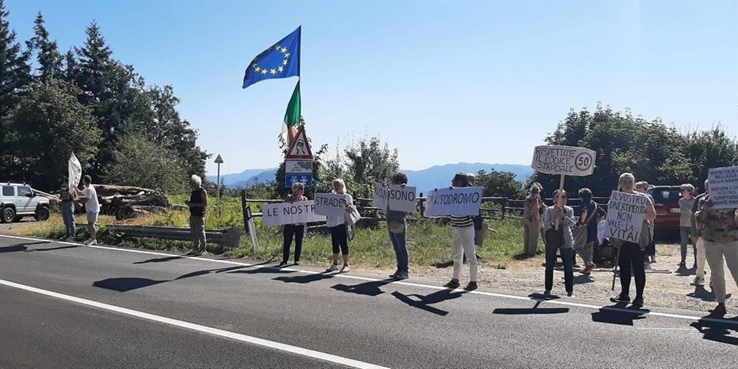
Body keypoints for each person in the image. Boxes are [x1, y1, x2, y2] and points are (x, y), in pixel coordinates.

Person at [610, 173, 656, 308]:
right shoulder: (616, 198)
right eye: (624, 181)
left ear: (634, 183)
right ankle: (624, 294)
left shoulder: (643, 198)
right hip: (622, 239)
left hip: (638, 239)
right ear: (620, 184)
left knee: (638, 268)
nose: (627, 183)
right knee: (623, 267)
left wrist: (635, 216)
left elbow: (652, 214)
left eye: (629, 181)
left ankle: (639, 297)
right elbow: (611, 217)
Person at [694, 184, 738, 316]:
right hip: (711, 240)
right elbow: (699, 219)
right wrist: (706, 208)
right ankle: (721, 304)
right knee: (716, 273)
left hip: (731, 240)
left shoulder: (734, 198)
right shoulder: (704, 200)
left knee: (736, 271)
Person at [443, 173, 478, 291]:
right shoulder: (453, 192)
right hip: (456, 226)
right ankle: (455, 279)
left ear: (459, 181)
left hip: (466, 227)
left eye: (454, 180)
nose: (452, 181)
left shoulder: (468, 193)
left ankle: (473, 281)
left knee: (470, 254)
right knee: (457, 254)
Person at [543, 189, 576, 297]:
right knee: (549, 264)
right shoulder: (549, 210)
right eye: (557, 197)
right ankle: (548, 288)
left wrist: (562, 216)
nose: (560, 199)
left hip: (566, 239)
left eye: (563, 197)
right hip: (552, 239)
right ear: (554, 199)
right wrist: (554, 223)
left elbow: (572, 224)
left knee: (568, 265)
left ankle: (569, 290)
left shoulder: (569, 210)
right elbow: (546, 224)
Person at [574, 188, 606, 275]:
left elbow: (584, 212)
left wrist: (582, 223)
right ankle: (587, 268)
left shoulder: (584, 203)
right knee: (589, 247)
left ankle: (588, 263)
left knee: (577, 246)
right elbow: (603, 213)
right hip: (593, 227)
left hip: (586, 228)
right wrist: (597, 222)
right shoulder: (595, 204)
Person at [326, 178, 354, 273]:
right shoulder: (331, 197)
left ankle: (346, 264)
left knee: (343, 244)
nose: (337, 187)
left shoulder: (347, 196)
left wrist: (345, 205)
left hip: (342, 223)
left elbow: (351, 210)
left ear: (342, 186)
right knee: (334, 244)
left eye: (338, 185)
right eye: (335, 185)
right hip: (332, 223)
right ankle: (335, 264)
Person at [387, 172, 410, 280]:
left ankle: (405, 270)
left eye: (393, 181)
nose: (391, 183)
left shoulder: (404, 192)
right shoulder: (392, 192)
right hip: (390, 221)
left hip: (399, 221)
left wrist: (403, 189)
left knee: (402, 248)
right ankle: (399, 269)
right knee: (396, 248)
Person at [279, 182, 307, 267]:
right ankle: (285, 259)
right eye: (300, 189)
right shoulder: (289, 198)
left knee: (299, 242)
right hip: (289, 224)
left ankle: (297, 259)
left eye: (303, 188)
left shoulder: (305, 199)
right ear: (295, 190)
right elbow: (284, 208)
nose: (302, 190)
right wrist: (293, 201)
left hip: (300, 224)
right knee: (287, 242)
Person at [690, 180, 710, 285]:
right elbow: (693, 215)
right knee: (700, 255)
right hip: (702, 232)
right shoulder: (700, 199)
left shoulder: (721, 199)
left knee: (714, 257)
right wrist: (694, 230)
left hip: (716, 234)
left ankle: (714, 279)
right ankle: (700, 276)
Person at [185, 174, 208, 256]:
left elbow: (205, 204)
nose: (191, 184)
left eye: (192, 182)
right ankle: (195, 248)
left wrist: (193, 204)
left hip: (199, 215)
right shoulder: (194, 192)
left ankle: (203, 249)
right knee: (194, 232)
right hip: (193, 214)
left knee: (201, 232)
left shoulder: (202, 191)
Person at [74, 175, 100, 245]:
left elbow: (85, 200)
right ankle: (92, 238)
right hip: (90, 209)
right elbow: (80, 193)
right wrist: (74, 187)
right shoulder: (88, 187)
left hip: (93, 209)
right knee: (90, 224)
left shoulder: (89, 189)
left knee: (91, 224)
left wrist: (76, 201)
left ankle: (93, 239)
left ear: (84, 181)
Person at [635, 181, 657, 264]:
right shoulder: (636, 197)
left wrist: (650, 221)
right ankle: (645, 256)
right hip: (639, 223)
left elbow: (651, 209)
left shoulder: (648, 197)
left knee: (650, 238)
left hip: (648, 221)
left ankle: (652, 255)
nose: (637, 190)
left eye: (639, 188)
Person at [678, 183, 696, 267]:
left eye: (683, 190)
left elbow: (694, 212)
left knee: (695, 244)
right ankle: (683, 260)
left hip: (693, 225)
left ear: (689, 191)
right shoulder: (681, 201)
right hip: (683, 224)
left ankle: (696, 262)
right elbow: (684, 210)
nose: (681, 192)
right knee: (683, 243)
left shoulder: (695, 201)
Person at [522, 185, 544, 257]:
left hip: (526, 217)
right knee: (534, 236)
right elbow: (536, 209)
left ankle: (526, 250)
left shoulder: (527, 199)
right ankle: (531, 252)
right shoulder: (536, 199)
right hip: (534, 219)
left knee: (527, 235)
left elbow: (525, 209)